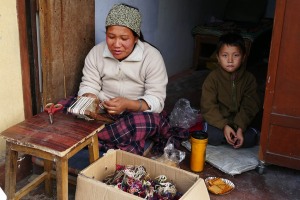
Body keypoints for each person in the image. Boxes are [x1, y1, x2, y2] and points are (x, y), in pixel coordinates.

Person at [77, 4, 184, 155]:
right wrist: (90, 99)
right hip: (103, 112)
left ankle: (93, 139)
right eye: (111, 37)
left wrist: (127, 104)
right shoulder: (96, 53)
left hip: (137, 114)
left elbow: (156, 100)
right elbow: (89, 83)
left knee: (141, 124)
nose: (116, 44)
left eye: (124, 38)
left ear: (136, 38)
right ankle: (108, 139)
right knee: (68, 108)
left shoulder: (151, 57)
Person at [200, 32, 260, 149]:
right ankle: (229, 136)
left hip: (242, 124)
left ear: (243, 57)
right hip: (220, 123)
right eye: (225, 55)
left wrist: (240, 127)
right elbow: (208, 106)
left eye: (236, 55)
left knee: (249, 138)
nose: (230, 60)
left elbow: (250, 105)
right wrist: (224, 126)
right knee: (211, 135)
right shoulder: (213, 79)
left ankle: (236, 137)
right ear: (218, 57)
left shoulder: (249, 79)